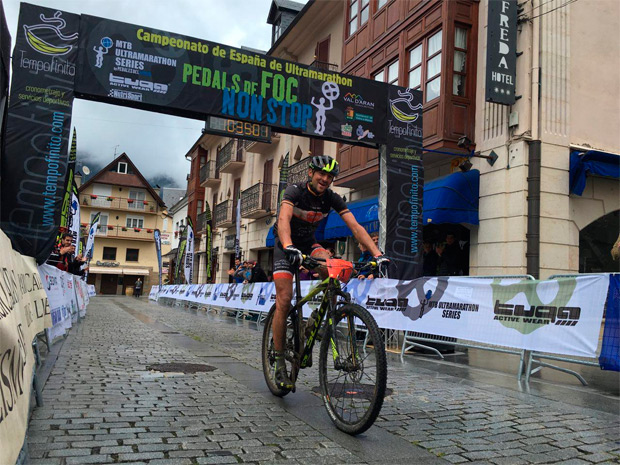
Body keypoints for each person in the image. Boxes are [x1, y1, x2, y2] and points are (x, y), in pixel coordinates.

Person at [271, 154, 388, 390]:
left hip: (309, 245)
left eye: (329, 176)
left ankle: (322, 316)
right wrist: (288, 245)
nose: (325, 179)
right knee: (284, 300)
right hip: (285, 245)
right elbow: (283, 219)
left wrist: (378, 254)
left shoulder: (331, 198)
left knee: (333, 267)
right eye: (321, 174)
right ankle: (279, 362)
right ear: (311, 174)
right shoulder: (294, 191)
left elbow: (355, 226)